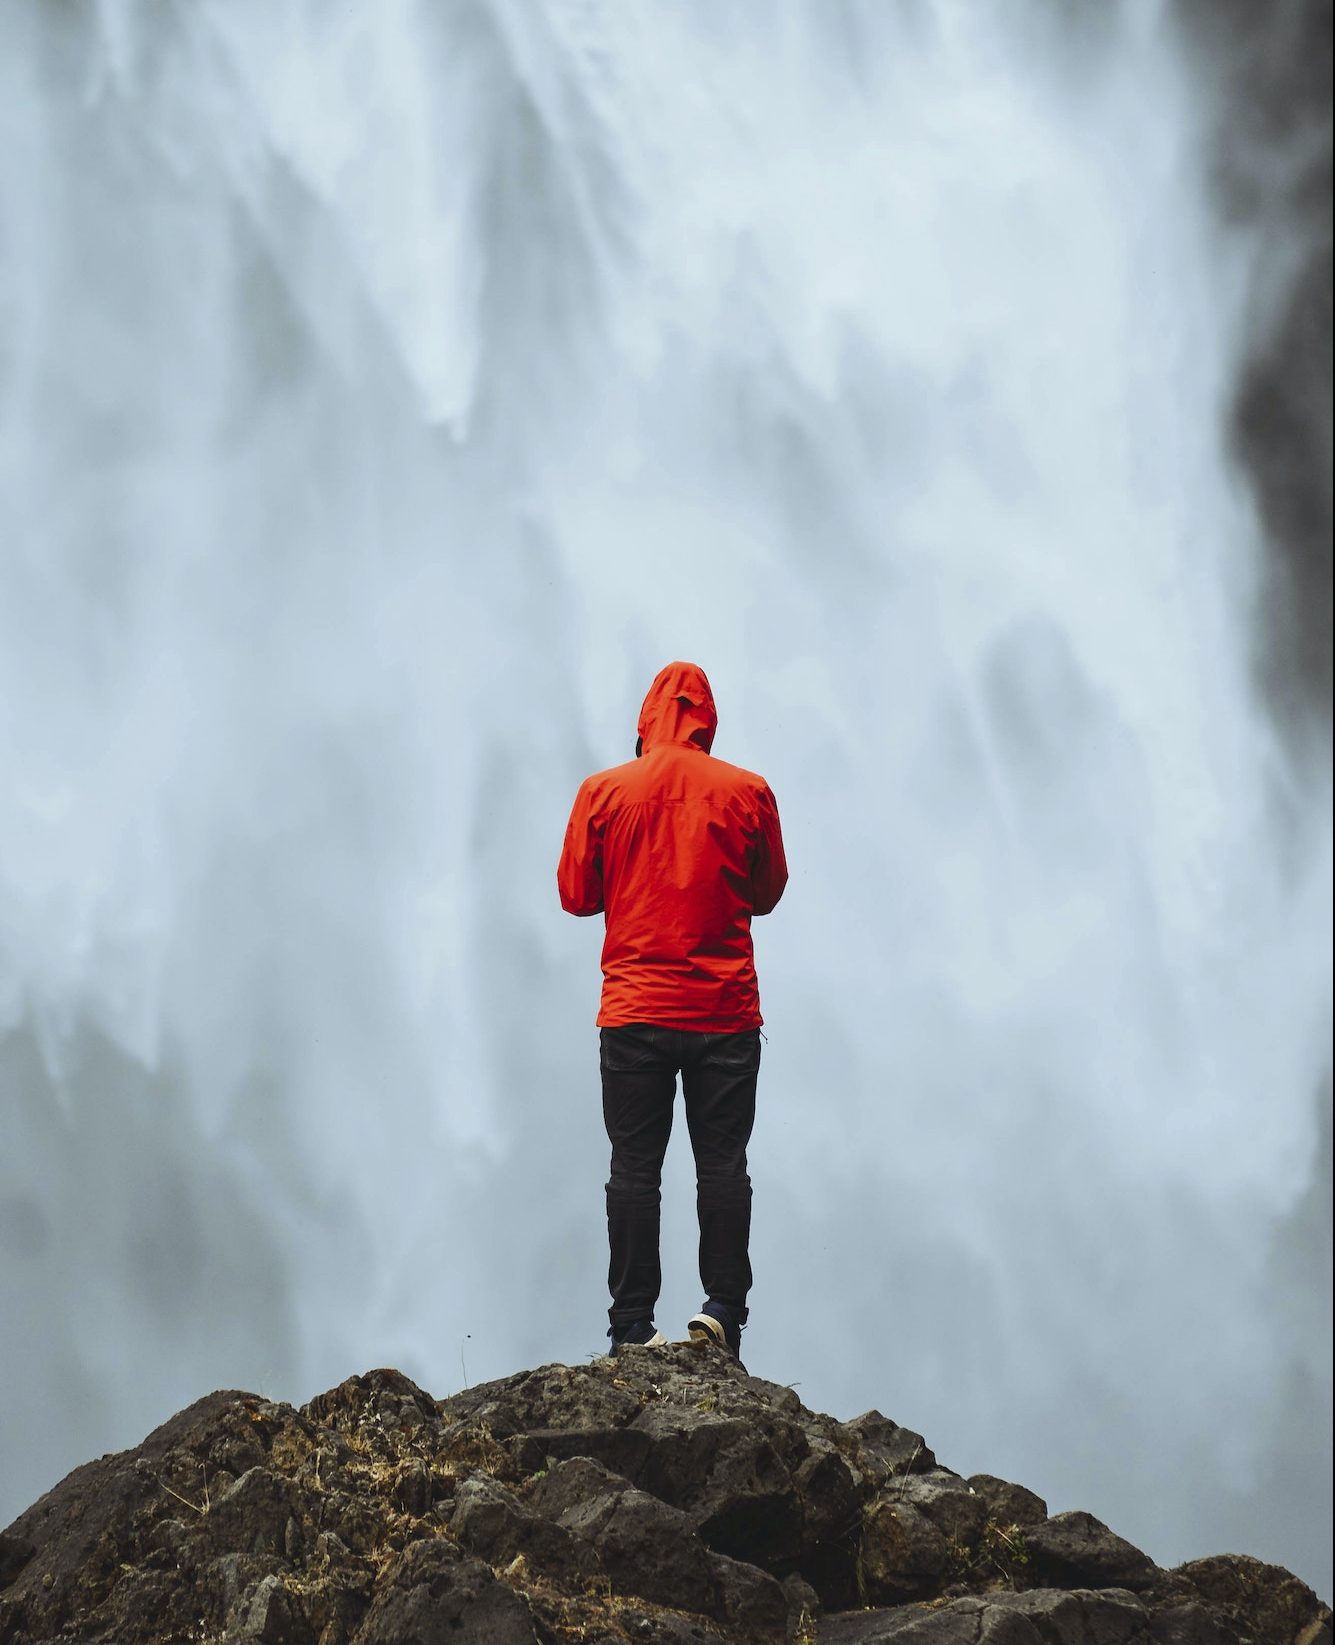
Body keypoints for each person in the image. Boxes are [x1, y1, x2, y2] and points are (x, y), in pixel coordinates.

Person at [558, 661, 788, 1361]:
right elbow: (768, 889)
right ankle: (721, 1311)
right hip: (723, 1011)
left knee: (633, 1167)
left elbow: (575, 892)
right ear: (705, 721)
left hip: (633, 1010)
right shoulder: (747, 792)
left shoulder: (603, 792)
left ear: (644, 721)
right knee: (722, 1164)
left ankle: (631, 1323)